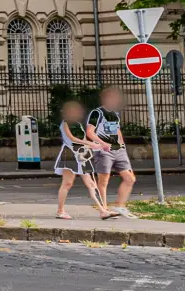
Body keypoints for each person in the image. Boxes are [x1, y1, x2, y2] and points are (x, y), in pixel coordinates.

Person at [52, 100, 110, 219]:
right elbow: (72, 138)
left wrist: (96, 145)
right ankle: (60, 211)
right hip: (69, 154)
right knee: (67, 183)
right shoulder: (65, 124)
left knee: (91, 183)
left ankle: (102, 210)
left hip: (81, 155)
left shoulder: (78, 124)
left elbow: (83, 140)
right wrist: (91, 144)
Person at [85, 87, 137, 218]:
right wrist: (102, 144)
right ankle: (104, 210)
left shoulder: (114, 114)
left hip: (118, 150)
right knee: (103, 181)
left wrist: (122, 145)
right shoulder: (97, 113)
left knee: (130, 178)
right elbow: (89, 132)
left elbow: (117, 130)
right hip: (103, 151)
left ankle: (119, 206)